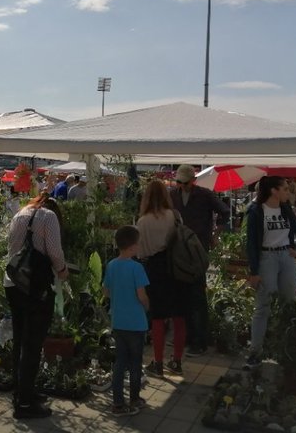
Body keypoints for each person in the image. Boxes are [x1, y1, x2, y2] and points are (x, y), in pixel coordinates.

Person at [4, 193, 68, 420]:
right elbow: (54, 250)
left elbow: (11, 248)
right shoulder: (48, 216)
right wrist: (62, 270)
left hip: (13, 283)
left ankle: (21, 391)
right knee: (33, 343)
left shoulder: (20, 214)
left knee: (20, 340)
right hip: (36, 287)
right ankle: (24, 403)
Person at [244, 175, 296, 367]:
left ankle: (287, 350)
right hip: (266, 258)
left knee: (290, 303)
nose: (288, 192)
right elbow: (251, 243)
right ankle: (255, 352)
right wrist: (254, 271)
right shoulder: (256, 210)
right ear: (274, 191)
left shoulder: (285, 208)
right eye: (285, 189)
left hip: (285, 256)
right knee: (263, 306)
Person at [171, 164, 230, 354]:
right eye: (179, 182)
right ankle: (187, 336)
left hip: (198, 247)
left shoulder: (205, 194)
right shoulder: (174, 195)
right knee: (182, 292)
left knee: (197, 293)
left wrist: (216, 231)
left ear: (193, 180)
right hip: (180, 246)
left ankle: (199, 340)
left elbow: (225, 211)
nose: (181, 186)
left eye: (185, 182)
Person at [137, 177, 188, 377]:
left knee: (157, 318)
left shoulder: (142, 221)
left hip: (154, 269)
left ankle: (157, 363)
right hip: (177, 267)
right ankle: (176, 360)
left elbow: (140, 253)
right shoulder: (174, 216)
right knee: (178, 316)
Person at [103, 225, 150, 416]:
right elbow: (142, 295)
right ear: (132, 246)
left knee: (120, 363)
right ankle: (134, 399)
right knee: (135, 363)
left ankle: (117, 403)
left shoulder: (111, 265)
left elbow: (106, 291)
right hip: (136, 323)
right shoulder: (137, 268)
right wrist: (147, 306)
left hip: (118, 321)